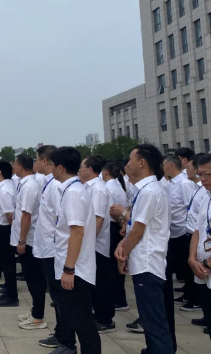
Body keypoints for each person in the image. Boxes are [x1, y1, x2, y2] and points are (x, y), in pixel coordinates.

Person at [116, 144, 175, 354]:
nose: (128, 164)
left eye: (131, 159)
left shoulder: (150, 192)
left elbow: (138, 230)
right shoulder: (146, 190)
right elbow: (136, 226)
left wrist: (123, 255)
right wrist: (123, 245)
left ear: (142, 163)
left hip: (148, 263)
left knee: (154, 322)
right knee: (151, 320)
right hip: (145, 261)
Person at [51, 146, 101, 354]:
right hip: (74, 266)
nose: (51, 169)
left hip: (76, 269)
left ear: (60, 168)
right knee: (80, 320)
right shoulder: (73, 190)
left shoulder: (73, 193)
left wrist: (69, 269)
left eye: (52, 165)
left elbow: (77, 233)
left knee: (83, 324)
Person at [32, 145, 64, 348]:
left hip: (54, 250)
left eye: (37, 160)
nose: (35, 163)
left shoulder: (56, 186)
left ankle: (64, 337)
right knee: (55, 296)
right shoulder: (48, 183)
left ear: (45, 161)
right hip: (46, 248)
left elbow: (61, 220)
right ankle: (61, 334)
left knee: (60, 298)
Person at [11, 154, 46, 330]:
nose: (13, 167)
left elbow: (26, 215)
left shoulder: (29, 186)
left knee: (34, 279)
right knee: (31, 278)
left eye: (14, 164)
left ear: (19, 166)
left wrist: (22, 240)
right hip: (27, 237)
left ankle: (38, 316)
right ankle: (35, 311)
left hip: (29, 239)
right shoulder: (26, 184)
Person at [80, 156, 114, 333]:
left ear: (91, 170)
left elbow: (98, 220)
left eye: (82, 166)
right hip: (90, 243)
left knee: (101, 283)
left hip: (96, 245)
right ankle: (97, 314)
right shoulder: (88, 187)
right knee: (94, 283)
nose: (80, 169)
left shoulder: (98, 189)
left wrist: (88, 242)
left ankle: (105, 319)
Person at [163, 155, 198, 313]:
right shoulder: (171, 183)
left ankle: (193, 299)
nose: (163, 168)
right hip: (174, 231)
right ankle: (187, 294)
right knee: (180, 266)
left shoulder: (184, 184)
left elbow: (190, 207)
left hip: (183, 230)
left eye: (164, 165)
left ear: (171, 165)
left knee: (188, 267)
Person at [187, 153, 211, 342]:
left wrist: (206, 264)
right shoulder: (206, 198)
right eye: (200, 174)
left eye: (208, 174)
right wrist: (192, 258)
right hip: (203, 271)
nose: (203, 179)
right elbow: (197, 230)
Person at [0, 159, 18, 307]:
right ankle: (8, 287)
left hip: (3, 228)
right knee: (6, 262)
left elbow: (9, 214)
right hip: (2, 227)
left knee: (7, 263)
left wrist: (13, 232)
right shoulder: (4, 186)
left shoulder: (4, 190)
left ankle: (11, 295)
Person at [104, 161, 129, 311]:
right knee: (116, 264)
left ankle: (118, 300)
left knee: (112, 266)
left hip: (114, 227)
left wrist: (120, 222)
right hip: (120, 226)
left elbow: (112, 211)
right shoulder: (118, 186)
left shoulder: (108, 187)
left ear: (106, 172)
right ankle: (119, 299)